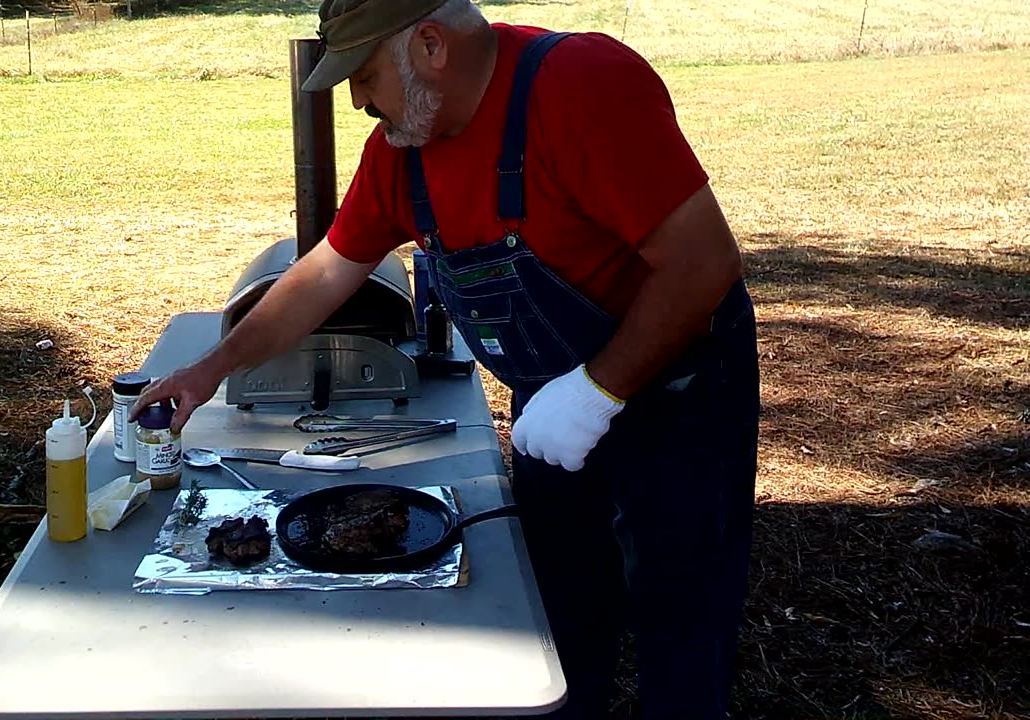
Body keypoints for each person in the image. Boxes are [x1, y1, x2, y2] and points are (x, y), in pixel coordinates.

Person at [131, 0, 760, 717]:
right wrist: (209, 371)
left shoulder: (582, 86)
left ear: (430, 46)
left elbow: (704, 265)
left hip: (677, 393)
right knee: (561, 600)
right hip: (551, 401)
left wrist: (595, 392)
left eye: (365, 77)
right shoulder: (404, 149)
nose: (361, 101)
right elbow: (324, 273)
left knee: (680, 612)